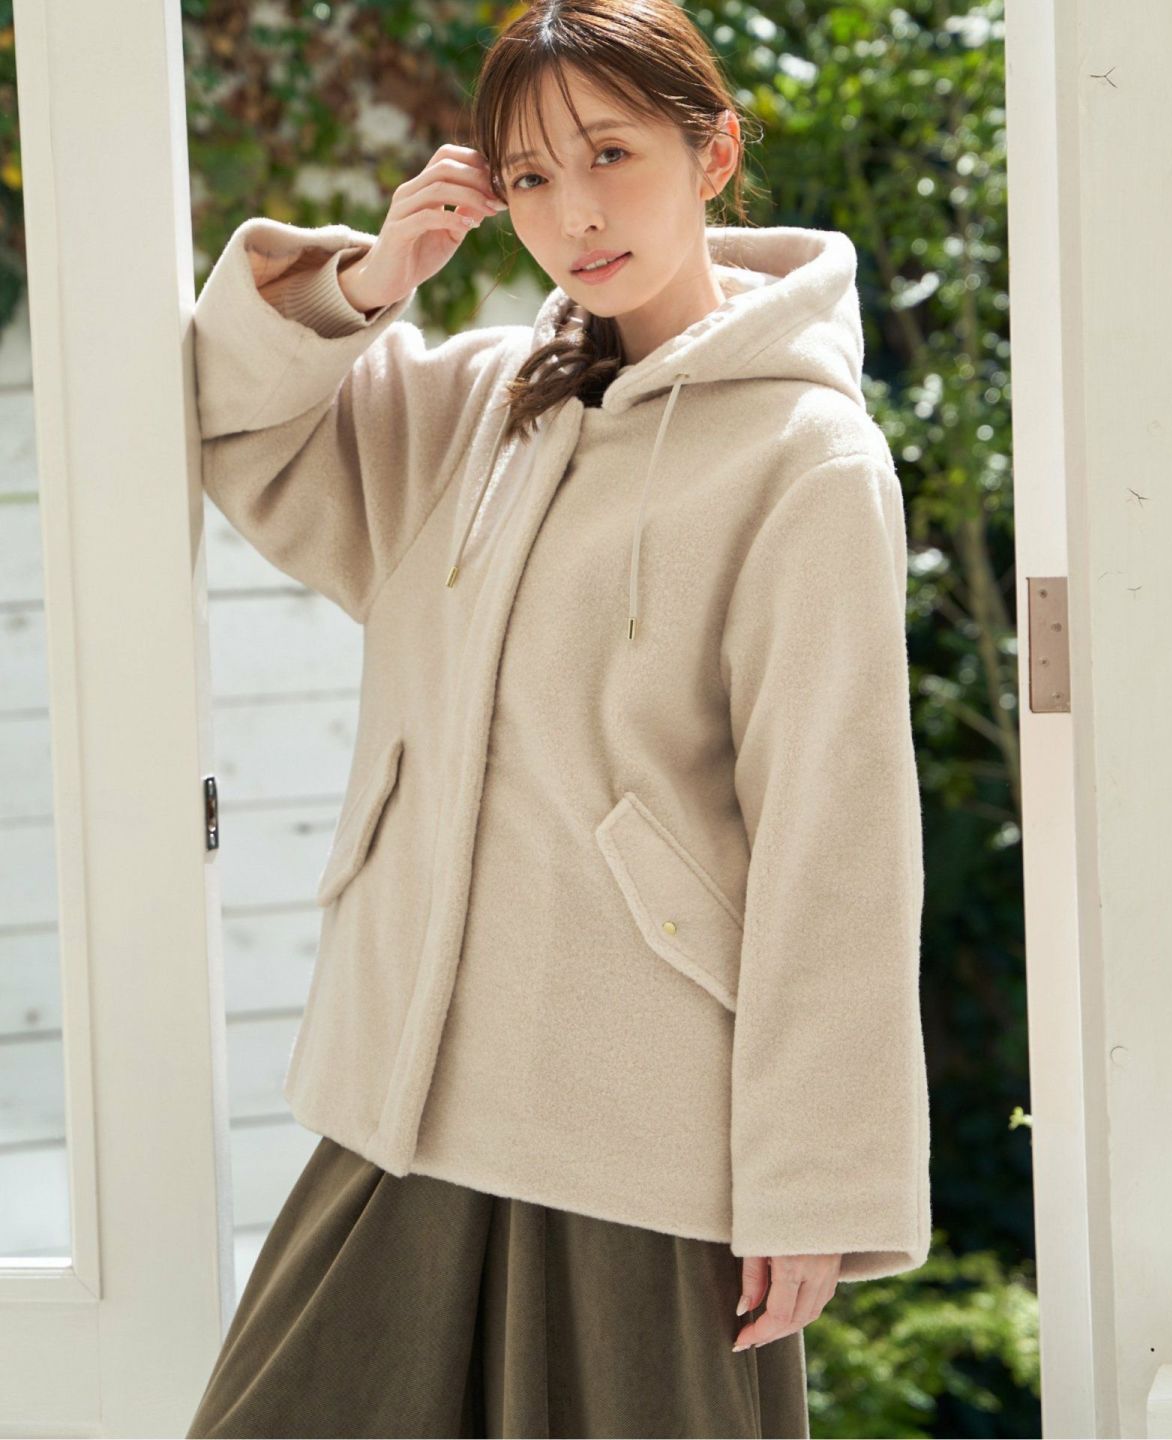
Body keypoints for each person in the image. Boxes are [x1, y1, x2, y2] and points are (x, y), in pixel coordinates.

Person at [185, 0, 930, 1435]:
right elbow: (231, 417)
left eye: (611, 154)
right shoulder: (478, 405)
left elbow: (835, 838)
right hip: (400, 1108)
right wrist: (372, 281)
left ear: (714, 155)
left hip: (632, 1136)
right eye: (529, 175)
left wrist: (814, 1184)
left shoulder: (809, 458)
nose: (574, 212)